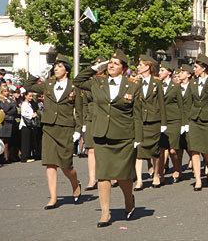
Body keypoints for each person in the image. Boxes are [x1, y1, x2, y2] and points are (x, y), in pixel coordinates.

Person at [74, 51, 142, 227]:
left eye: (116, 63)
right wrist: (95, 68)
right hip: (102, 134)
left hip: (124, 136)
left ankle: (129, 200)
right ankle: (105, 213)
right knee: (103, 175)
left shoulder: (133, 85)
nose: (111, 65)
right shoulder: (98, 82)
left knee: (123, 176)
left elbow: (137, 114)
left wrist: (138, 137)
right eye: (110, 63)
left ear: (124, 69)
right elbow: (78, 81)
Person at [24, 54, 82, 210]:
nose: (56, 69)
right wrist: (36, 75)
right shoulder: (48, 84)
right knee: (50, 164)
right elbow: (28, 86)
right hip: (49, 127)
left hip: (66, 128)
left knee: (66, 165)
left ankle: (75, 184)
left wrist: (79, 130)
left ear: (67, 70)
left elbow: (81, 111)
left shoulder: (74, 87)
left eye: (60, 66)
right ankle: (53, 198)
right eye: (55, 66)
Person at [187, 54, 208, 191]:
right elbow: (188, 103)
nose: (194, 69)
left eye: (196, 67)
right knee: (194, 150)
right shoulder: (192, 83)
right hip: (195, 120)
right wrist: (186, 121)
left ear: (204, 68)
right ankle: (198, 179)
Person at [133, 55, 166, 191]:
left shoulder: (156, 83)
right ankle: (139, 180)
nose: (138, 67)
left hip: (153, 120)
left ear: (147, 67)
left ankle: (156, 174)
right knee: (139, 151)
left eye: (141, 65)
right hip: (140, 120)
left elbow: (161, 103)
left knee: (154, 150)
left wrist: (163, 122)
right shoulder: (135, 83)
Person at [80, 56, 106, 191]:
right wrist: (83, 122)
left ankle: (110, 176)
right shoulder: (88, 83)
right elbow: (84, 104)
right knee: (91, 150)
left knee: (106, 149)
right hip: (91, 118)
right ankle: (92, 179)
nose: (98, 69)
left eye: (100, 66)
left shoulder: (108, 82)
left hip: (105, 117)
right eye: (96, 66)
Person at [158, 61, 183, 184]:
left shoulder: (176, 87)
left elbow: (181, 105)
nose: (160, 72)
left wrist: (183, 122)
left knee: (173, 149)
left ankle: (177, 168)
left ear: (169, 72)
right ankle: (160, 173)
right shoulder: (157, 85)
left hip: (174, 120)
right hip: (161, 120)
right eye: (159, 70)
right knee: (162, 148)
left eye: (162, 70)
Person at [0, 83, 19, 163]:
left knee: (11, 140)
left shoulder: (10, 99)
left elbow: (14, 110)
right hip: (5, 122)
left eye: (7, 91)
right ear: (2, 92)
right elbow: (4, 108)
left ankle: (10, 156)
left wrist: (10, 108)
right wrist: (9, 104)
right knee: (5, 140)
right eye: (5, 91)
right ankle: (4, 157)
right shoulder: (1, 100)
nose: (7, 93)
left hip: (11, 121)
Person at [19, 91, 38, 163]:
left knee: (29, 140)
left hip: (29, 125)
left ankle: (28, 156)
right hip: (25, 125)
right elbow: (23, 113)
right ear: (25, 96)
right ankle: (24, 157)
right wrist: (31, 115)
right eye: (29, 96)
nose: (31, 98)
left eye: (32, 96)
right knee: (25, 142)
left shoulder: (29, 104)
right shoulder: (24, 104)